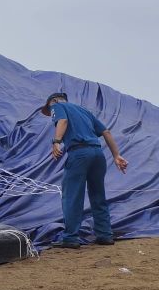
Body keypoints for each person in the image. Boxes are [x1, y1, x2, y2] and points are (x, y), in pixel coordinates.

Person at [40, 92, 128, 249]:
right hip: (98, 154)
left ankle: (70, 238)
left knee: (72, 196)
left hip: (79, 154)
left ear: (53, 101)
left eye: (49, 108)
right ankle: (105, 235)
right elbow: (106, 132)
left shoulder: (57, 106)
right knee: (98, 195)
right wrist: (116, 155)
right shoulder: (84, 111)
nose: (50, 111)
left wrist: (56, 142)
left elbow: (63, 120)